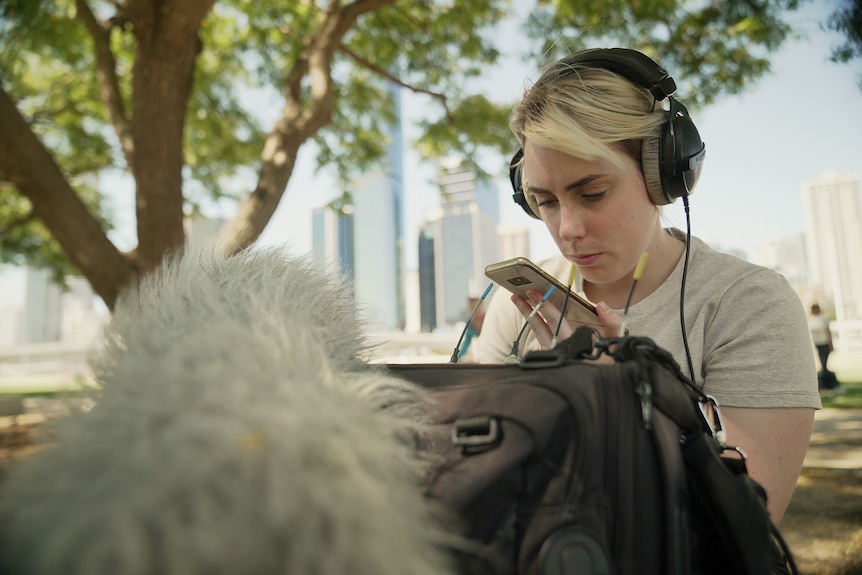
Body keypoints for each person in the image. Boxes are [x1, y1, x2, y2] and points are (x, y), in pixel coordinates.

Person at [472, 47, 821, 526]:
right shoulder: (526, 305)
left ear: (664, 175)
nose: (567, 228)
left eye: (592, 193)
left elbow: (739, 534)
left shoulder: (746, 306)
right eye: (545, 201)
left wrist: (620, 397)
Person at [808, 303, 839, 393]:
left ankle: (829, 385)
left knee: (824, 364)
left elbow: (828, 331)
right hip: (817, 344)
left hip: (824, 343)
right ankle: (828, 384)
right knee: (822, 365)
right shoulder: (811, 320)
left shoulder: (823, 319)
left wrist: (831, 344)